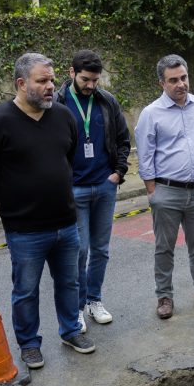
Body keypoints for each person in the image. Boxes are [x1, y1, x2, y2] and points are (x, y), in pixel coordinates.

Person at [0, 52, 95, 369]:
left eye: (52, 80)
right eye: (43, 81)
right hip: (25, 230)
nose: (51, 86)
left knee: (70, 283)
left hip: (67, 223)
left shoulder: (64, 116)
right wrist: (8, 201)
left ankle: (71, 330)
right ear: (22, 84)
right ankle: (29, 343)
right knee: (25, 290)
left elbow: (68, 158)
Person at [135, 54, 194, 320]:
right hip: (167, 192)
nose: (181, 84)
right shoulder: (151, 114)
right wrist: (153, 192)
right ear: (162, 83)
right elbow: (145, 155)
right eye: (173, 80)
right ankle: (164, 296)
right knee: (165, 247)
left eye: (183, 78)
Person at [56, 50, 130, 331]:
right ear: (72, 72)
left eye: (95, 80)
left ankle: (94, 300)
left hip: (104, 185)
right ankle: (76, 308)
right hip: (73, 189)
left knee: (101, 249)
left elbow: (123, 139)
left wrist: (119, 172)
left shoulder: (107, 101)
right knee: (80, 250)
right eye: (86, 79)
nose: (90, 85)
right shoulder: (58, 102)